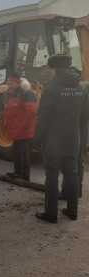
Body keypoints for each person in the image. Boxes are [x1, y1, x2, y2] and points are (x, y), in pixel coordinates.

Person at [35, 55, 89, 223]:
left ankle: (51, 214)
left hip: (54, 140)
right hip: (73, 138)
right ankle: (72, 211)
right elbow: (85, 117)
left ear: (54, 69)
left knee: (51, 175)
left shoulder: (51, 88)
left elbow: (43, 118)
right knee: (72, 174)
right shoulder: (81, 88)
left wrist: (36, 140)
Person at [3, 73, 38, 181]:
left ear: (17, 83)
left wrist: (23, 126)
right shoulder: (13, 93)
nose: (8, 84)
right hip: (16, 129)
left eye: (10, 82)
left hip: (24, 130)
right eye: (8, 82)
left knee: (24, 153)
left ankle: (25, 176)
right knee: (17, 152)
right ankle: (17, 173)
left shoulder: (27, 94)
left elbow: (31, 113)